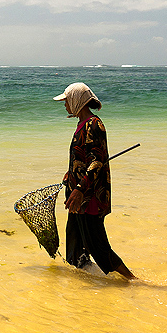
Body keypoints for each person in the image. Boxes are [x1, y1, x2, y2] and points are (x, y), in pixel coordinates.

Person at [55, 82, 136, 281]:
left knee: (98, 246)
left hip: (89, 197)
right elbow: (84, 158)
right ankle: (85, 287)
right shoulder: (82, 124)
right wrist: (71, 173)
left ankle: (134, 281)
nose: (65, 105)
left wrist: (80, 189)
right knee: (75, 245)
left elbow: (97, 161)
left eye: (66, 100)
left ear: (77, 101)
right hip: (78, 197)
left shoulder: (94, 125)